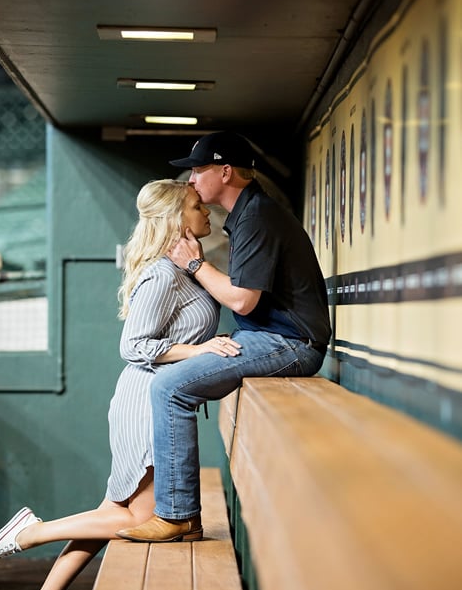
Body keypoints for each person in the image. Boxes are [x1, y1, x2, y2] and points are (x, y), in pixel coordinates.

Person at [0, 179, 241, 590]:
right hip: (147, 402)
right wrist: (201, 349)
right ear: (177, 219)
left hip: (155, 400)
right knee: (138, 518)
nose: (207, 213)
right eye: (198, 206)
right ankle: (29, 532)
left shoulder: (182, 271)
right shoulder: (163, 274)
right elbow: (133, 347)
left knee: (110, 517)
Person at [117, 131, 332, 544]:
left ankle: (178, 515)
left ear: (226, 171)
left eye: (199, 170)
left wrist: (196, 264)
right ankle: (180, 514)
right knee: (171, 384)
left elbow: (243, 301)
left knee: (167, 387)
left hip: (292, 344)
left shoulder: (257, 216)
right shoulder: (250, 213)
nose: (193, 180)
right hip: (274, 338)